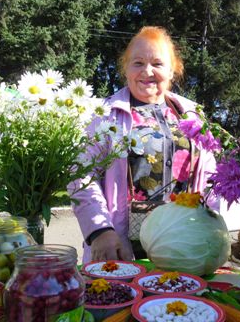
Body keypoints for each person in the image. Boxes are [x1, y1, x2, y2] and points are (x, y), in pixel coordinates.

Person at [70, 26, 220, 263]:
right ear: (126, 69)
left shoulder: (192, 115)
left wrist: (217, 228)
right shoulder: (104, 114)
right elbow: (80, 174)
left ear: (172, 70)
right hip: (118, 247)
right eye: (138, 63)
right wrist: (99, 230)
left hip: (182, 245)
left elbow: (212, 176)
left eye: (157, 64)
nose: (147, 71)